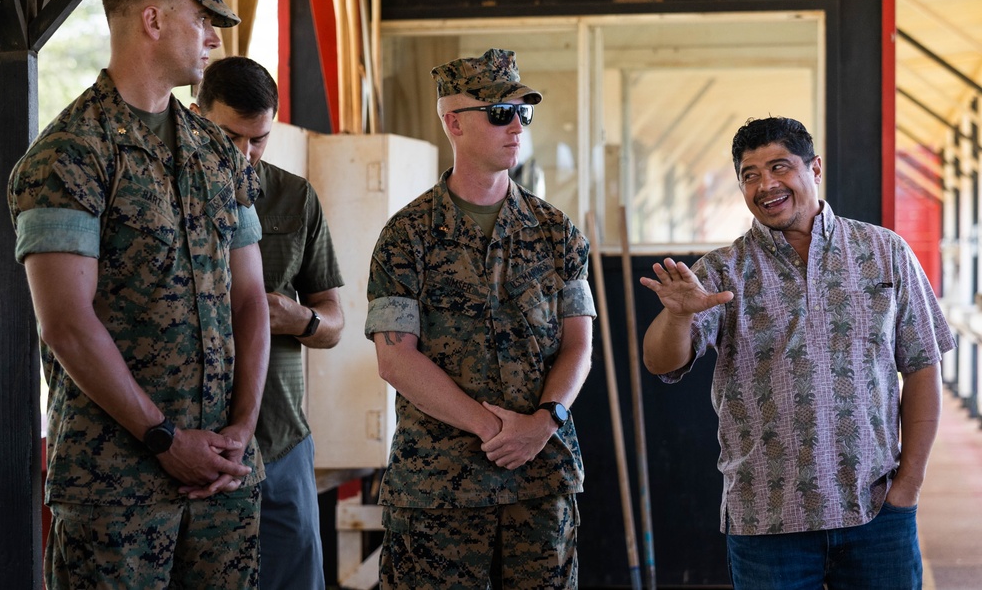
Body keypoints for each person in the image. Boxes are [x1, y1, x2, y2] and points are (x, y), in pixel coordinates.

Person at [6, 0, 270, 589]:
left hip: (223, 483)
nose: (212, 36)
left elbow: (252, 299)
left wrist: (239, 428)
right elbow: (66, 323)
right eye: (200, 19)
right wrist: (166, 441)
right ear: (152, 21)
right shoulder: (67, 155)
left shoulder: (218, 151)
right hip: (116, 490)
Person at [640, 116, 955, 589]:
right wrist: (679, 316)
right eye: (750, 175)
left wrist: (907, 487)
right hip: (766, 521)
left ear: (815, 169)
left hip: (875, 513)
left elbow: (923, 367)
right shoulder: (723, 270)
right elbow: (660, 363)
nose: (765, 185)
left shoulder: (883, 251)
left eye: (779, 167)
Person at [364, 48, 597, 589]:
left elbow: (578, 345)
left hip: (540, 483)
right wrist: (495, 429)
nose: (516, 126)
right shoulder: (407, 236)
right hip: (437, 489)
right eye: (499, 113)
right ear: (454, 123)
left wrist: (544, 423)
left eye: (524, 112)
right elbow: (396, 359)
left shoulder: (557, 233)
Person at [193, 55, 344, 590]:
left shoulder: (294, 196)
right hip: (195, 445)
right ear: (195, 115)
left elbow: (335, 323)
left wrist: (298, 318)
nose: (244, 154)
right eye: (230, 136)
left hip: (282, 440)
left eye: (258, 139)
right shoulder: (161, 195)